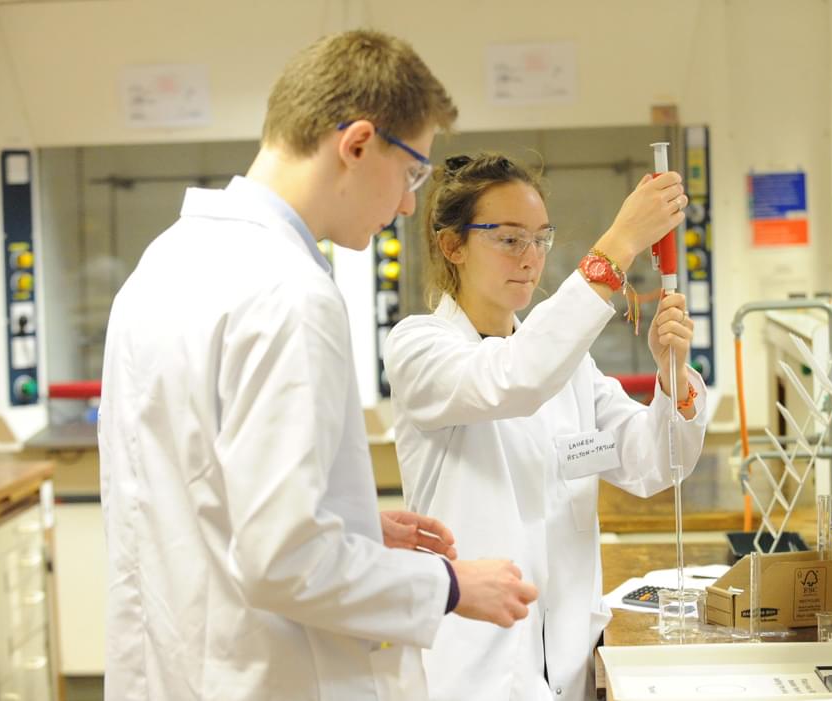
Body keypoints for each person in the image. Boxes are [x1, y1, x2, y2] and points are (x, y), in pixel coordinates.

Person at [98, 33, 537, 701]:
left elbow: (201, 492)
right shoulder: (290, 294)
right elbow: (286, 559)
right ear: (357, 144)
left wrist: (350, 518)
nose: (408, 205)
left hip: (177, 666)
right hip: (271, 675)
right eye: (413, 170)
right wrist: (451, 585)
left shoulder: (163, 264)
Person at [383, 153, 709, 701]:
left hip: (566, 664)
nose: (530, 259)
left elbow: (652, 462)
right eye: (509, 239)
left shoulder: (567, 364)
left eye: (540, 239)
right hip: (474, 673)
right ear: (452, 245)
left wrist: (672, 380)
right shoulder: (420, 348)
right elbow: (514, 380)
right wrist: (619, 244)